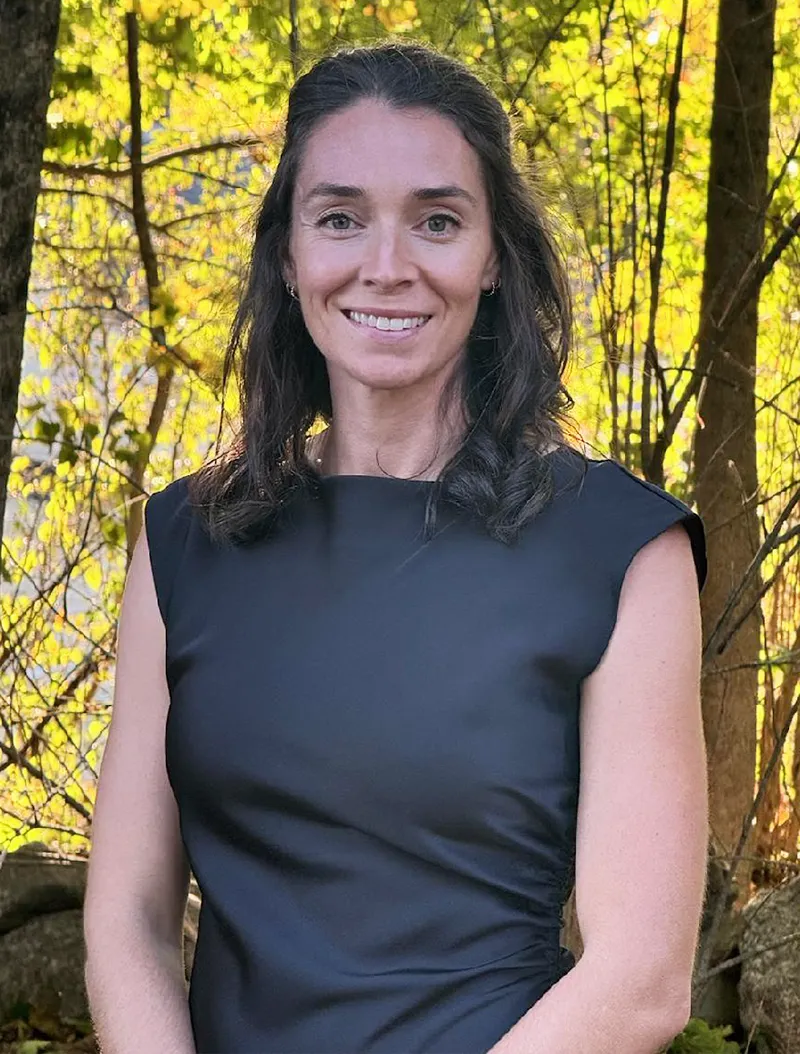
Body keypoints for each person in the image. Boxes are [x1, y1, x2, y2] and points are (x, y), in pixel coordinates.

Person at [83, 39, 709, 1054]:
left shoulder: (620, 549)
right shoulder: (184, 543)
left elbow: (639, 979)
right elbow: (127, 923)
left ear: (492, 253)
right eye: (339, 219)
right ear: (287, 256)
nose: (387, 265)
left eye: (436, 221)